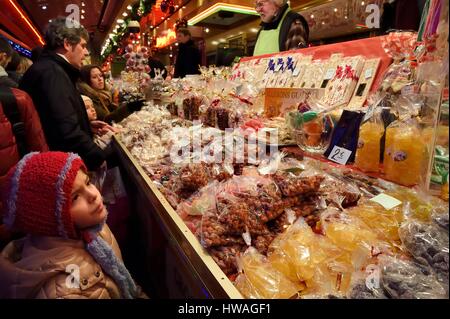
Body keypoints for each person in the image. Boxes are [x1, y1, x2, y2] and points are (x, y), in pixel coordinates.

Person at [0, 152, 147, 299]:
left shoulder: (93, 229)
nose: (93, 195)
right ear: (50, 219)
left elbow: (121, 279)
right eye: (75, 197)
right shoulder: (64, 291)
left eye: (88, 182)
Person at [19, 17, 109, 171]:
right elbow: (65, 131)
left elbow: (54, 118)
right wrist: (97, 157)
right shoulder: (52, 73)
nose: (86, 52)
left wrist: (86, 124)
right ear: (67, 44)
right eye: (83, 46)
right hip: (60, 167)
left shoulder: (51, 69)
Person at [78, 65, 144, 124]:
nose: (100, 79)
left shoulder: (107, 94)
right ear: (86, 81)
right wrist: (129, 107)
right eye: (94, 77)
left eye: (101, 76)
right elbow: (106, 120)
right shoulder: (89, 99)